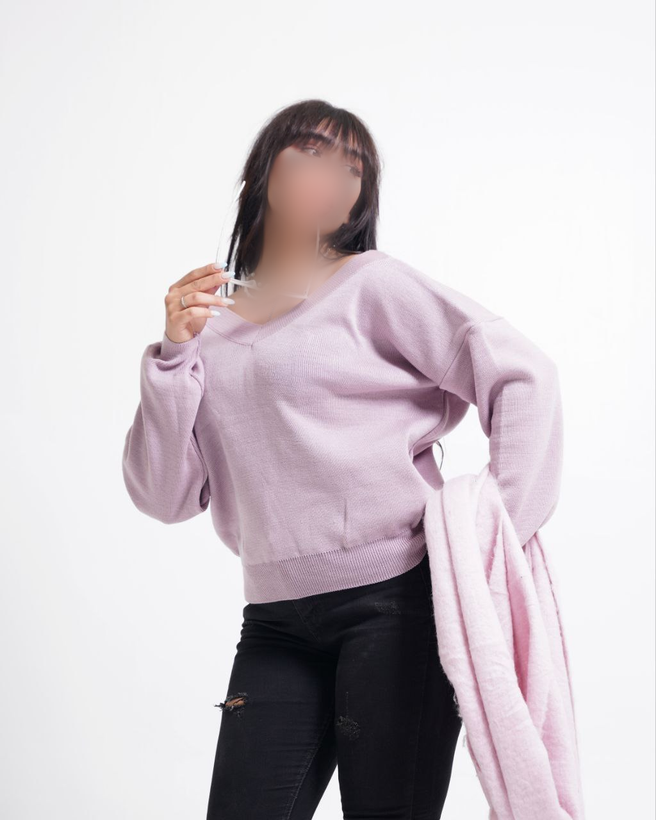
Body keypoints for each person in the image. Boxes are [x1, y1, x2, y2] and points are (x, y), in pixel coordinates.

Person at [121, 98, 563, 820]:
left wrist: (493, 536)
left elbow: (524, 375)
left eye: (352, 167)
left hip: (398, 607)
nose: (332, 175)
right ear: (262, 170)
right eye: (312, 151)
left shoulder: (372, 284)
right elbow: (163, 496)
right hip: (273, 620)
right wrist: (173, 355)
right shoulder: (208, 326)